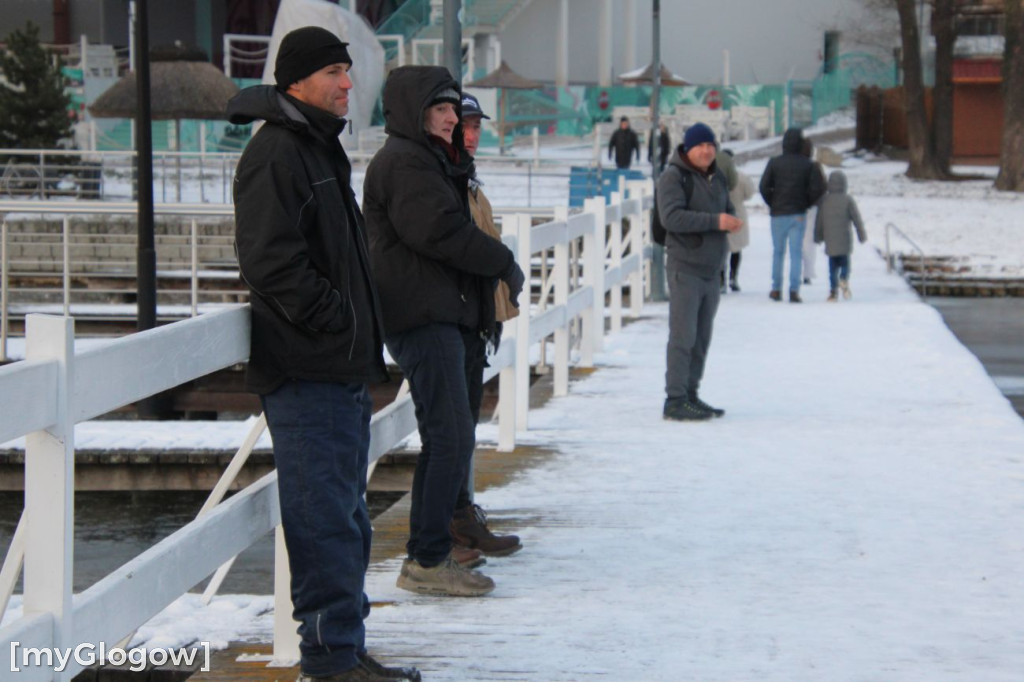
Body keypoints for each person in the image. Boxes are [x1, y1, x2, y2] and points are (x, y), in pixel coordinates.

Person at [229, 27, 420, 682]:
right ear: (297, 81)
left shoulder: (314, 148)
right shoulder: (278, 154)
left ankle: (344, 648)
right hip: (306, 370)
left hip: (335, 370)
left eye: (348, 71)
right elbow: (270, 262)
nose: (348, 83)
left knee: (345, 518)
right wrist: (337, 322)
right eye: (335, 72)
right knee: (323, 521)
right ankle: (329, 660)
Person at [362, 65, 525, 597]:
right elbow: (441, 233)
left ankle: (439, 545)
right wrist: (501, 260)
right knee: (449, 434)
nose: (454, 119)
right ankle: (427, 558)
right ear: (415, 111)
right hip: (421, 316)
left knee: (452, 434)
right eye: (442, 109)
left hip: (443, 314)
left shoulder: (430, 159)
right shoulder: (405, 163)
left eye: (455, 110)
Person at [453, 92, 524, 558]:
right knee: (451, 430)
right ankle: (451, 528)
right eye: (465, 125)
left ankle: (461, 517)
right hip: (455, 321)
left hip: (476, 322)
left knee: (462, 427)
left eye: (478, 126)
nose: (474, 135)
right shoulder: (448, 184)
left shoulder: (470, 183)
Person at [657, 122, 742, 421]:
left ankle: (692, 394)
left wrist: (729, 218)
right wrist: (715, 221)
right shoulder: (673, 178)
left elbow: (726, 207)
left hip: (711, 269)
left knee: (702, 337)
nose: (707, 151)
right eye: (700, 146)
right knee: (683, 336)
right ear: (688, 148)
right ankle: (675, 399)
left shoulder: (716, 176)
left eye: (711, 145)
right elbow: (672, 218)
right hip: (685, 267)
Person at [758, 127, 826, 303]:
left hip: (778, 213)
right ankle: (794, 290)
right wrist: (806, 202)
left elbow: (763, 187)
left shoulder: (774, 163)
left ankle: (776, 288)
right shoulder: (808, 164)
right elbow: (818, 188)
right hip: (798, 213)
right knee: (796, 252)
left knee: (778, 252)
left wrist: (772, 202)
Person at [814, 170, 867, 302]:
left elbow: (819, 220)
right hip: (844, 238)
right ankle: (843, 278)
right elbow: (856, 218)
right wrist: (861, 234)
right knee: (845, 263)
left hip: (830, 240)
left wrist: (818, 236)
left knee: (832, 267)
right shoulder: (848, 200)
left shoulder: (824, 200)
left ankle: (833, 292)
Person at [717, 149, 755, 292]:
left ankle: (721, 279)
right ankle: (734, 277)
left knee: (722, 249)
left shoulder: (716, 177)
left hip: (721, 213)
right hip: (738, 213)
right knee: (736, 249)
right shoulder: (741, 177)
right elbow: (750, 193)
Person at [800, 137, 824, 285]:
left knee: (797, 240)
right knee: (809, 240)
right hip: (811, 208)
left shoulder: (793, 165)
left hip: (793, 207)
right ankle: (807, 272)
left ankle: (798, 269)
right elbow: (822, 187)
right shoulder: (815, 166)